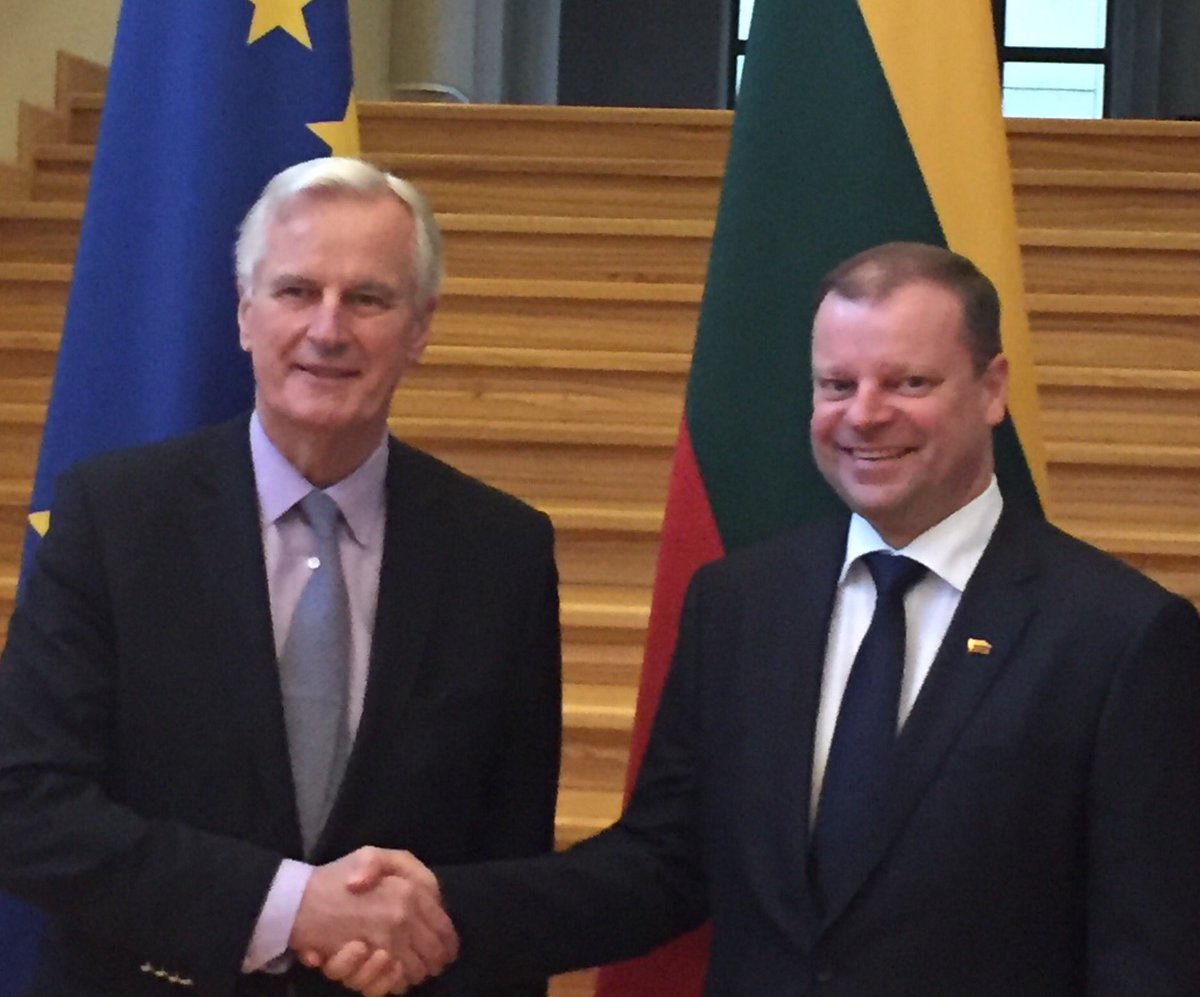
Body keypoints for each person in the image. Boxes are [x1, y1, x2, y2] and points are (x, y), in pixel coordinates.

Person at [323, 242, 1200, 995]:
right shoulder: (741, 605)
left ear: (992, 387)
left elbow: (1150, 954)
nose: (865, 414)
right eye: (837, 384)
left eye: (909, 382)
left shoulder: (1120, 638)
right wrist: (442, 909)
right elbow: (664, 863)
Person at [0, 158, 562, 997]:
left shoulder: (502, 552)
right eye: (297, 291)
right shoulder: (113, 518)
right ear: (244, 313)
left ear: (420, 329)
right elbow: (25, 805)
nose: (327, 329)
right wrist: (291, 907)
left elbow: (509, 869)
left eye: (367, 298)